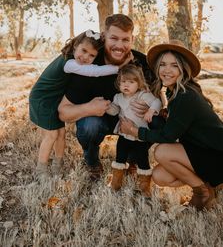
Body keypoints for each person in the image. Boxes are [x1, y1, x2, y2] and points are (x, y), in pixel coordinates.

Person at [120, 39, 223, 210]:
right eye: (163, 65)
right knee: (160, 176)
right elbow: (178, 124)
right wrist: (158, 113)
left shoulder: (185, 95)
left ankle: (201, 192)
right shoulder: (175, 91)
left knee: (162, 151)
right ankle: (209, 186)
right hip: (203, 153)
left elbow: (168, 136)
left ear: (183, 69)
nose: (167, 70)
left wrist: (135, 131)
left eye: (174, 65)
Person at [58, 14, 154, 180]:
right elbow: (63, 112)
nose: (119, 45)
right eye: (114, 38)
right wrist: (88, 108)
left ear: (133, 39)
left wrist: (151, 108)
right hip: (99, 118)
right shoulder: (88, 63)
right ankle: (92, 159)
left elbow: (161, 99)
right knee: (90, 125)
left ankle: (133, 158)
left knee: (156, 121)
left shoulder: (143, 63)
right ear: (104, 37)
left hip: (132, 120)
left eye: (125, 40)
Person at [29, 30, 125, 180]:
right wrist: (119, 68)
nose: (85, 57)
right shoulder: (69, 63)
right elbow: (94, 71)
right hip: (43, 99)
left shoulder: (73, 60)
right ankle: (41, 168)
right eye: (84, 50)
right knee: (52, 134)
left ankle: (57, 164)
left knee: (61, 133)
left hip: (54, 98)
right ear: (75, 46)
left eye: (92, 55)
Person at [106, 64, 162, 197]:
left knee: (142, 160)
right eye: (123, 82)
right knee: (119, 157)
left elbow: (157, 102)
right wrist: (106, 107)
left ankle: (144, 187)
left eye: (131, 82)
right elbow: (114, 111)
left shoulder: (143, 95)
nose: (126, 85)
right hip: (124, 135)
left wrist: (151, 110)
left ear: (139, 83)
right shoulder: (118, 97)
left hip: (139, 136)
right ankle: (116, 183)